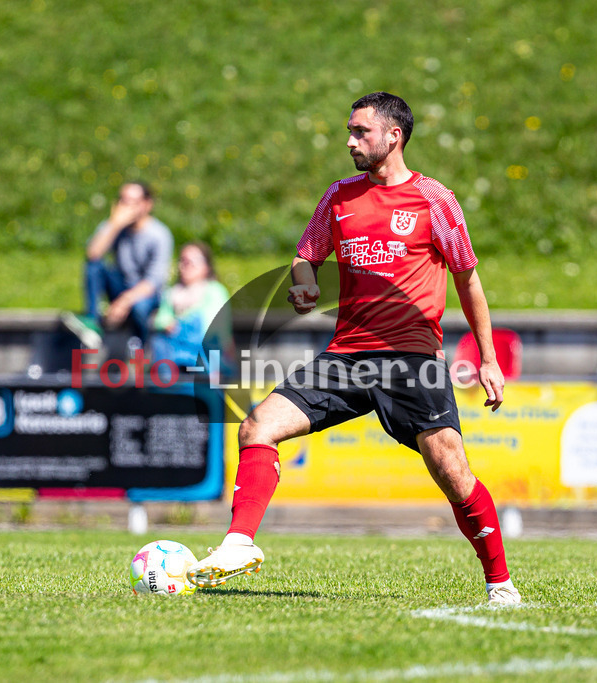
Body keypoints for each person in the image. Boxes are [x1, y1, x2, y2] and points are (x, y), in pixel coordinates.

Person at [186, 92, 521, 605]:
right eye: (349, 130)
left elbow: (468, 281)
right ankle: (238, 544)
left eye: (361, 131)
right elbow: (307, 253)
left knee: (453, 473)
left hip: (413, 359)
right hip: (347, 354)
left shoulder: (434, 200)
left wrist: (488, 359)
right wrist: (304, 283)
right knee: (257, 427)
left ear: (394, 136)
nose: (350, 141)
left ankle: (500, 584)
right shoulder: (339, 197)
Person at [83, 181, 173, 345]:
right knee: (94, 267)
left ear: (147, 204)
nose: (126, 207)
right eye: (123, 201)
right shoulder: (115, 225)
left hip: (148, 294)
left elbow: (154, 281)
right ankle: (92, 323)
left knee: (140, 307)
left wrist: (124, 301)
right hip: (121, 284)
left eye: (133, 202)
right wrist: (114, 225)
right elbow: (93, 254)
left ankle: (141, 346)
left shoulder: (159, 234)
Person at [149, 242, 231, 369]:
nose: (187, 265)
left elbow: (212, 325)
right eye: (184, 260)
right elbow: (161, 318)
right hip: (174, 349)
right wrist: (167, 324)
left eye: (193, 260)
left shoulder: (214, 290)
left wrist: (183, 323)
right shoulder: (172, 292)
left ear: (206, 266)